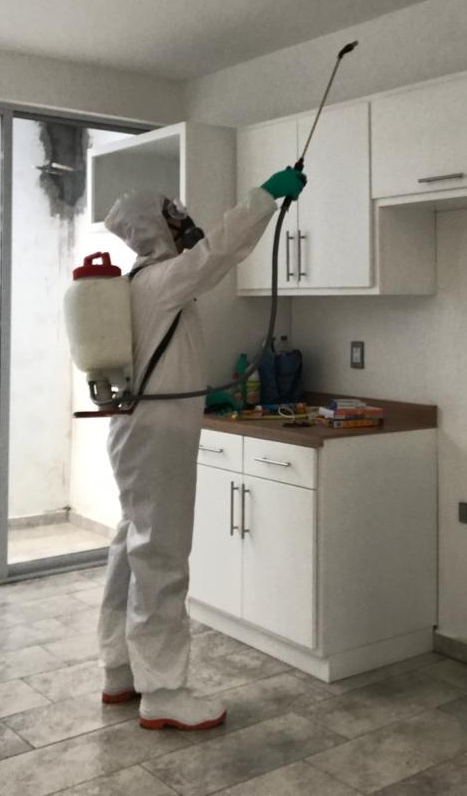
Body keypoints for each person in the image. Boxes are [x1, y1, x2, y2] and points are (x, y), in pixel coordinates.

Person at [97, 167, 306, 731]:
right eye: (173, 212)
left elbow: (160, 360)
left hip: (139, 429)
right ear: (153, 225)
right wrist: (265, 197)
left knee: (133, 545)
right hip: (159, 434)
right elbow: (220, 251)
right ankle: (163, 691)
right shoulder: (163, 278)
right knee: (161, 556)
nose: (183, 220)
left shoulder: (136, 285)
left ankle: (120, 669)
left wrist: (200, 390)